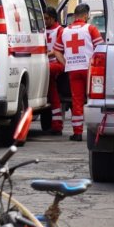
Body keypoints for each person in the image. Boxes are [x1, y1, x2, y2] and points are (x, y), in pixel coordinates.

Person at [54, 3, 104, 141]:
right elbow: (100, 48)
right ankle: (98, 131)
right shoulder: (91, 29)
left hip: (73, 70)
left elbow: (57, 50)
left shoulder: (65, 31)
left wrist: (66, 63)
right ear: (86, 15)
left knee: (77, 100)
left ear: (74, 15)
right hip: (89, 70)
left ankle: (77, 133)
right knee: (94, 99)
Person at [43, 7, 65, 135]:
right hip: (45, 62)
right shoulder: (42, 30)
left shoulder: (60, 30)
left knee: (51, 87)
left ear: (53, 18)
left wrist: (45, 54)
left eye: (47, 18)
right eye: (43, 18)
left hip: (57, 63)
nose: (45, 21)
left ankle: (57, 124)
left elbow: (59, 51)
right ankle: (55, 123)